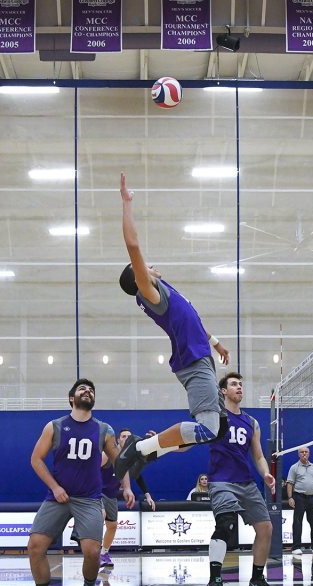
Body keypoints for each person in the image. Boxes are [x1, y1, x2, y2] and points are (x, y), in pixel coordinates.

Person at [113, 173, 231, 480]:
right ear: (138, 275)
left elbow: (192, 320)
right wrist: (127, 204)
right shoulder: (150, 292)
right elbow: (132, 244)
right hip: (194, 363)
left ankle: (150, 451)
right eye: (144, 266)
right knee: (208, 429)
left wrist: (215, 342)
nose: (150, 265)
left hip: (200, 357)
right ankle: (140, 448)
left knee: (219, 431)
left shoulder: (168, 292)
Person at [18, 379, 118, 586]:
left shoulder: (104, 429)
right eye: (82, 389)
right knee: (35, 546)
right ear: (71, 398)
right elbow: (35, 460)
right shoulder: (54, 426)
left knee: (93, 552)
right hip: (58, 497)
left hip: (90, 499)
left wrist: (131, 478)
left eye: (91, 390)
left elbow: (119, 461)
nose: (88, 392)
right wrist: (55, 486)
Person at [199, 372, 277, 586]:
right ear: (223, 391)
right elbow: (192, 438)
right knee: (226, 523)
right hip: (222, 481)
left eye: (241, 384)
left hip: (246, 482)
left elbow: (259, 456)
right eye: (234, 384)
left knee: (266, 529)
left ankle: (257, 579)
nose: (239, 387)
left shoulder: (251, 422)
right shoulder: (215, 417)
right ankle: (214, 581)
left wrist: (266, 474)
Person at [98, 430, 149, 568]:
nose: (126, 438)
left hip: (111, 495)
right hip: (97, 493)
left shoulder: (129, 458)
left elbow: (137, 476)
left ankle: (104, 553)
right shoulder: (106, 455)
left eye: (129, 436)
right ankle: (93, 552)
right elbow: (91, 470)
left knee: (112, 526)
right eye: (123, 436)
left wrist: (146, 494)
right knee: (100, 515)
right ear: (118, 440)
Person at [286, 447, 313, 555]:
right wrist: (290, 497)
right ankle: (296, 548)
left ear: (309, 454)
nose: (304, 453)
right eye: (302, 452)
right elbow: (289, 483)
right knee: (298, 522)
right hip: (299, 497)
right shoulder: (294, 468)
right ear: (298, 454)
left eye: (306, 452)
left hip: (312, 498)